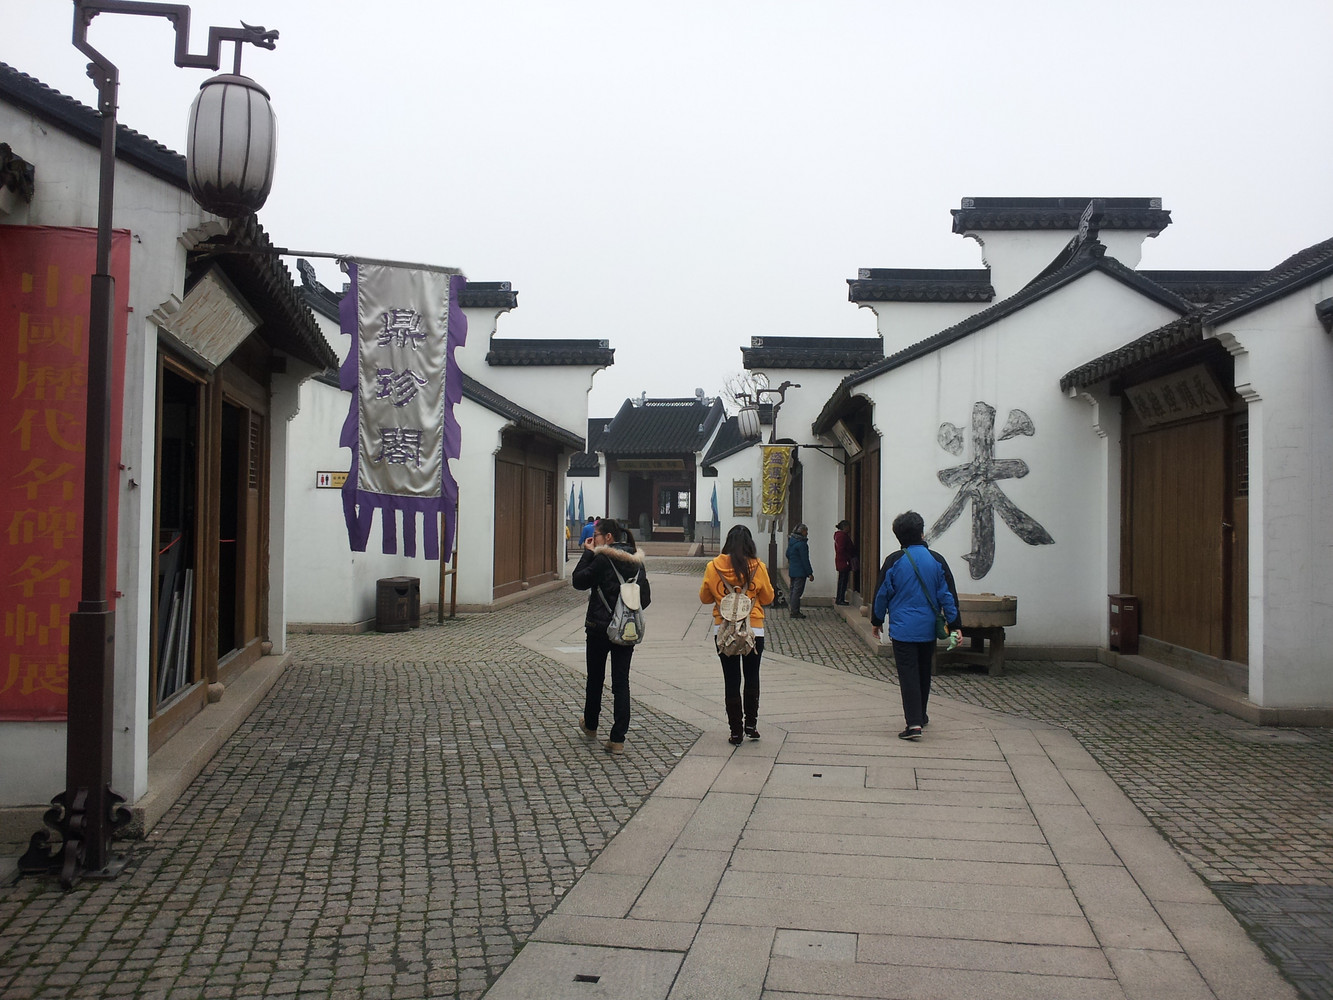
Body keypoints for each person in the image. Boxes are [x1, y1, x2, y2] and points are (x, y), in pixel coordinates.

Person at [870, 511, 961, 741]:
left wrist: (877, 620)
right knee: (923, 672)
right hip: (927, 628)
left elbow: (882, 594)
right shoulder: (937, 560)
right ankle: (921, 714)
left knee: (908, 674)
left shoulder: (893, 561)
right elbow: (947, 595)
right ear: (921, 533)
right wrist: (956, 625)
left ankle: (913, 724)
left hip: (903, 629)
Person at [572, 518, 651, 755]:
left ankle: (591, 725)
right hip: (626, 628)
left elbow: (578, 581)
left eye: (595, 536)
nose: (593, 540)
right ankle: (618, 738)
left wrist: (587, 553)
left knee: (595, 678)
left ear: (608, 537)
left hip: (598, 627)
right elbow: (645, 598)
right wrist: (624, 608)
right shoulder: (636, 562)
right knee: (621, 682)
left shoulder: (602, 559)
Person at [700, 525, 775, 745]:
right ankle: (751, 724)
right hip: (754, 629)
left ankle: (735, 731)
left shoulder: (713, 567)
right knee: (752, 675)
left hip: (724, 630)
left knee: (731, 679)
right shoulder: (758, 566)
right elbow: (768, 598)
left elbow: (705, 597)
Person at [785, 523, 813, 618]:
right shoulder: (802, 544)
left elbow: (787, 554)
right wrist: (810, 573)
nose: (807, 533)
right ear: (802, 532)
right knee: (797, 592)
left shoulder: (792, 542)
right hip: (800, 571)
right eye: (806, 531)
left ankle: (793, 609)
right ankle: (795, 611)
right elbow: (805, 560)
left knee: (793, 591)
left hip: (792, 570)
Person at [833, 520, 857, 606]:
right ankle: (840, 599)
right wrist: (848, 557)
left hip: (841, 561)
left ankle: (840, 598)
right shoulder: (842, 536)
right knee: (843, 581)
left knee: (842, 580)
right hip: (844, 561)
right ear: (845, 527)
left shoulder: (839, 535)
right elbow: (842, 549)